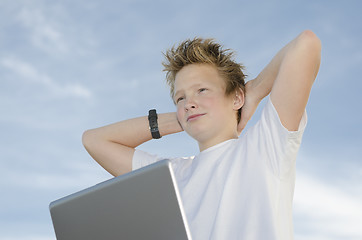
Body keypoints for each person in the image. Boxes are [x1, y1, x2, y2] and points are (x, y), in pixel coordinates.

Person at [82, 30, 321, 240]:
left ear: (236, 97)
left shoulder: (265, 145)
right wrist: (179, 118)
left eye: (202, 90)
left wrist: (255, 91)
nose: (189, 103)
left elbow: (306, 45)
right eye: (180, 98)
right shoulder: (171, 176)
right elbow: (95, 141)